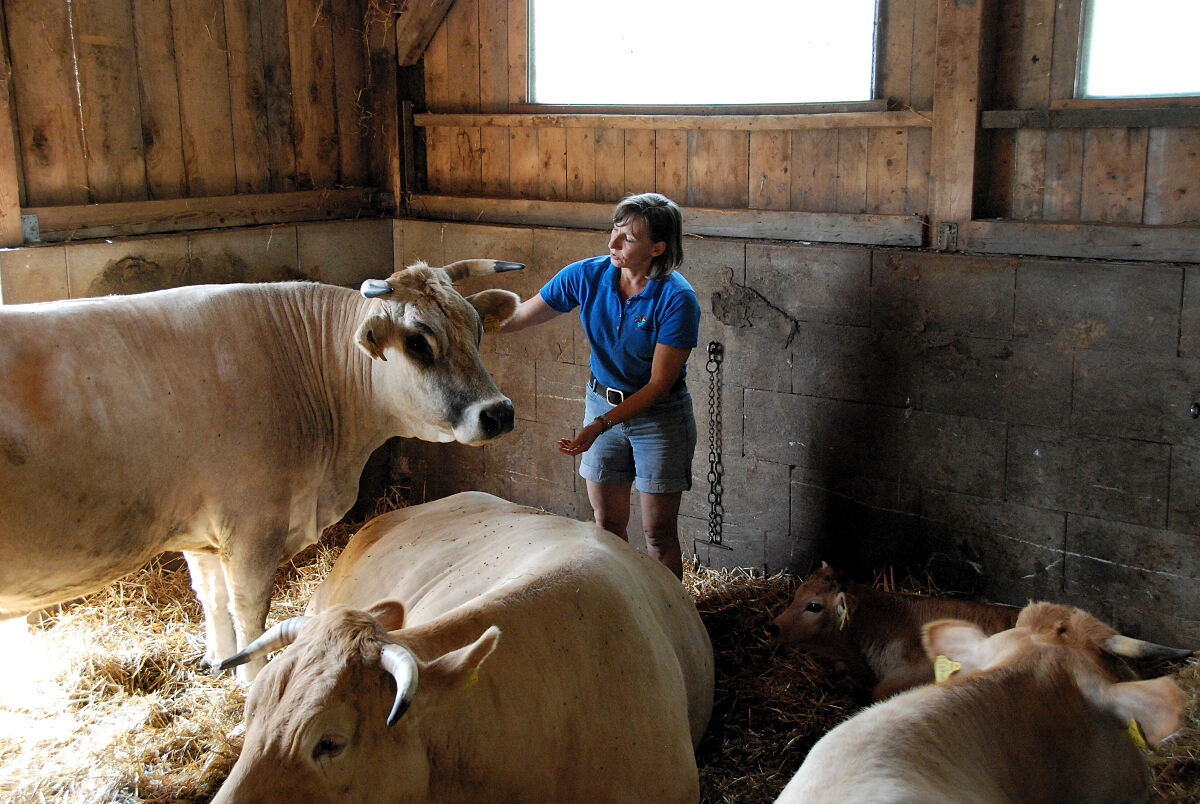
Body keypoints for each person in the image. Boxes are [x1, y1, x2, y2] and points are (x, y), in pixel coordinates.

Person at [501, 193, 701, 579]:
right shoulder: (587, 275)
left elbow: (659, 385)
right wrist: (457, 315)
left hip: (658, 419)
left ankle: (670, 619)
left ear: (657, 248)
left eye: (628, 238)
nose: (612, 243)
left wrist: (600, 425)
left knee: (657, 534)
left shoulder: (677, 299)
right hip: (602, 404)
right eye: (614, 230)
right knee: (606, 525)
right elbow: (520, 315)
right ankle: (620, 607)